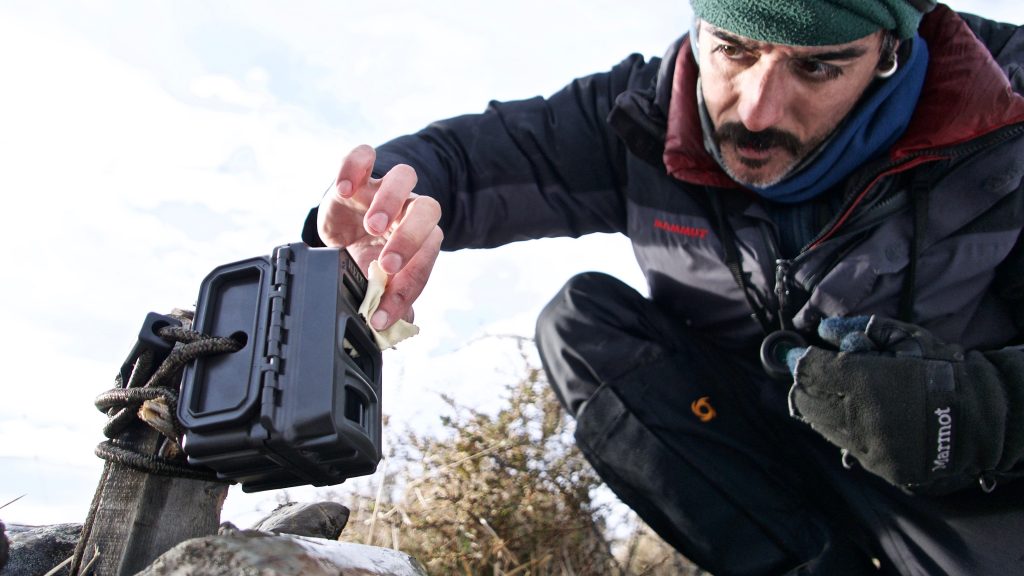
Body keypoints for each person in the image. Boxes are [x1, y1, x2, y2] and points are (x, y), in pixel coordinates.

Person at [304, 1, 1024, 573]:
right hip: (760, 441)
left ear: (892, 51)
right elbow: (461, 161)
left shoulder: (1006, 116)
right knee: (583, 328)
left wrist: (988, 411)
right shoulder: (639, 113)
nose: (757, 110)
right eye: (734, 50)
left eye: (818, 68)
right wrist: (382, 205)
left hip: (971, 481)